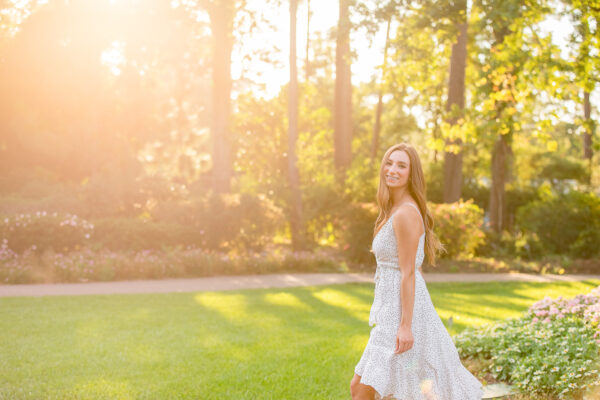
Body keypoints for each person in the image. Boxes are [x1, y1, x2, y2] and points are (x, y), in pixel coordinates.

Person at [350, 143, 483, 400]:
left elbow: (409, 272)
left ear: (412, 174)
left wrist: (406, 326)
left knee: (366, 388)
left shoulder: (406, 213)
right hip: (392, 308)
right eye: (389, 162)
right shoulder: (394, 210)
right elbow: (415, 266)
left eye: (401, 165)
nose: (392, 169)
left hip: (401, 315)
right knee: (382, 389)